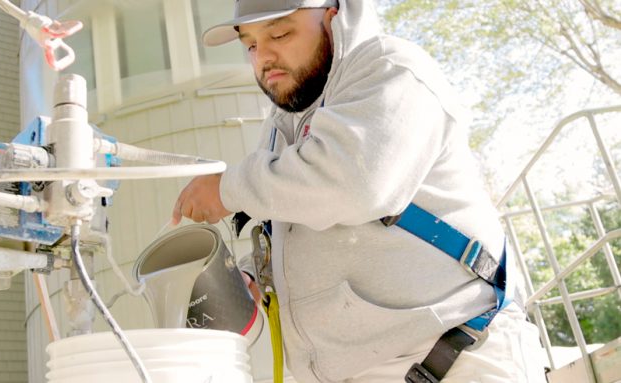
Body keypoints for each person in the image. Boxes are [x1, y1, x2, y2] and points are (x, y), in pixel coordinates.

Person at [172, 0, 547, 381]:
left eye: (281, 33)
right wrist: (254, 277)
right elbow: (302, 230)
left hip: (458, 359)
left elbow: (354, 184)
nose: (263, 57)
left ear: (334, 17)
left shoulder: (391, 69)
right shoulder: (281, 127)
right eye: (250, 45)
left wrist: (228, 189)